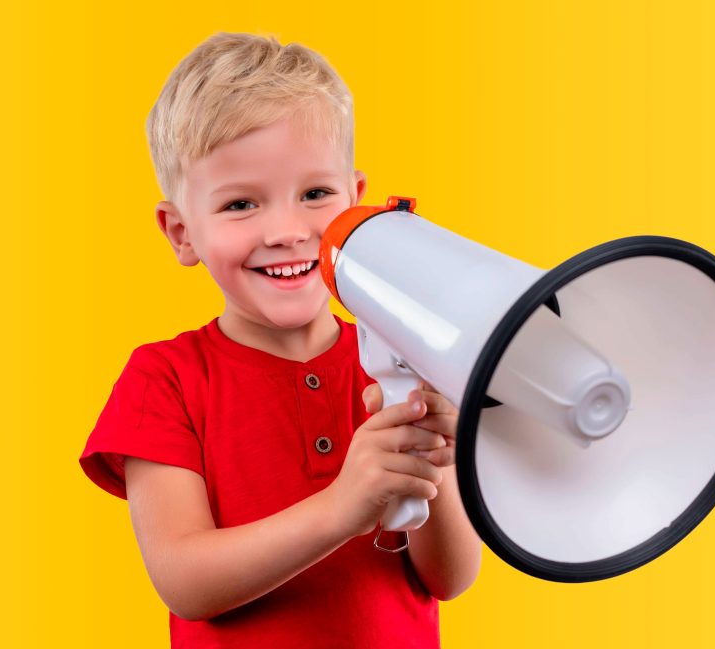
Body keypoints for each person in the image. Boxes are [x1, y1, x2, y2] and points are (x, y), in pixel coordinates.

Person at [78, 31, 481, 648]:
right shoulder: (164, 379)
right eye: (241, 204)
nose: (289, 231)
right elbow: (185, 581)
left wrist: (433, 465)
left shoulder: (405, 358)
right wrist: (343, 507)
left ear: (357, 203)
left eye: (316, 194)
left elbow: (450, 578)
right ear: (181, 232)